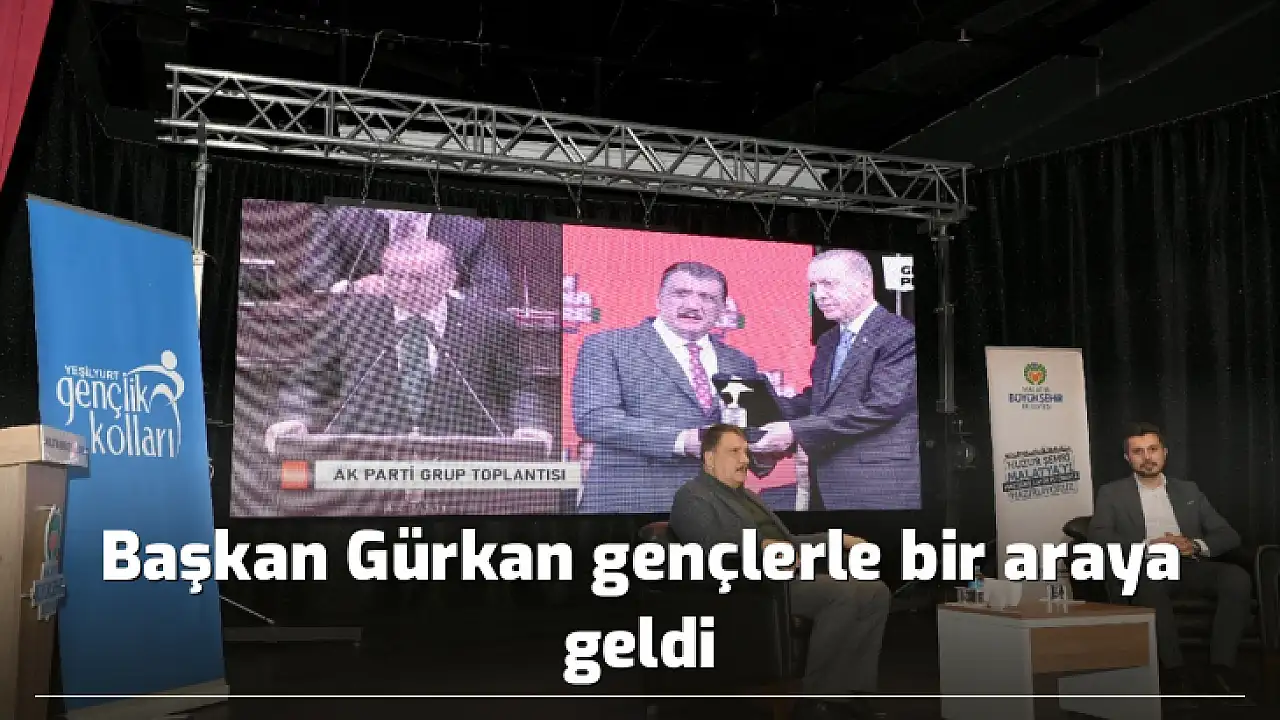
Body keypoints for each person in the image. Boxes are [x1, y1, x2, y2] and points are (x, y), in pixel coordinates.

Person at [670, 424, 891, 720]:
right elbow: (710, 545)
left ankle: (853, 691)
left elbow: (790, 543)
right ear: (709, 458)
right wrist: (762, 547)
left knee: (875, 591)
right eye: (734, 452)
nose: (745, 460)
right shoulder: (692, 496)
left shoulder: (747, 496)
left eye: (745, 452)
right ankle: (819, 700)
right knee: (842, 593)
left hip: (785, 578)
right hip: (752, 588)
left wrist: (838, 540)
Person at [265, 221, 544, 449]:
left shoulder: (488, 323)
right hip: (365, 458)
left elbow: (517, 386)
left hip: (459, 458)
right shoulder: (349, 317)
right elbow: (309, 380)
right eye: (395, 277)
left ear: (449, 279)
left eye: (418, 279)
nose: (405, 288)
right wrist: (293, 418)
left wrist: (529, 426)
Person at [571, 262, 773, 513]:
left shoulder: (740, 362)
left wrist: (764, 450)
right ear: (658, 299)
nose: (693, 305)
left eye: (707, 298)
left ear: (722, 309)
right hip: (631, 507)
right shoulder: (608, 346)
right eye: (680, 293)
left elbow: (753, 436)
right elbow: (595, 418)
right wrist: (681, 440)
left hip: (715, 512)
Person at [1087, 422, 1253, 703]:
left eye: (1153, 449)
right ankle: (1174, 673)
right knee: (1149, 585)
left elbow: (1228, 534)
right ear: (1128, 458)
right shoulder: (1111, 493)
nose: (1147, 457)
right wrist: (1147, 546)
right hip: (1146, 567)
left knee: (1236, 577)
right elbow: (1098, 536)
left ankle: (1221, 669)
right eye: (1138, 452)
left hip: (1189, 564)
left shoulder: (1189, 491)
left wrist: (1193, 545)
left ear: (1164, 453)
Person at [751, 249, 919, 510]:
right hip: (826, 484)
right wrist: (761, 403)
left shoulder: (900, 335)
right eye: (813, 286)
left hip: (879, 486)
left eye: (828, 284)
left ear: (865, 285)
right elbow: (819, 401)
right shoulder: (828, 340)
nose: (818, 295)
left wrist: (795, 430)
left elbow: (882, 406)